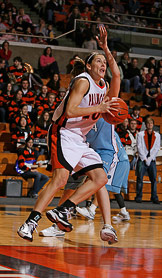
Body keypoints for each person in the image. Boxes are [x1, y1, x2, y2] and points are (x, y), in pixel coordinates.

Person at [17, 26, 120, 243]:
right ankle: (30, 223)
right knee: (60, 179)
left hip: (79, 139)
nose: (103, 64)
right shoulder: (83, 81)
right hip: (62, 131)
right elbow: (70, 111)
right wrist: (98, 109)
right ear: (89, 66)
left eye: (105, 62)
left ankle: (63, 209)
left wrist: (106, 48)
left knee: (100, 178)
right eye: (98, 61)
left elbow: (117, 73)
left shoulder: (105, 86)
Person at [40, 118, 130, 236]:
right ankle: (58, 225)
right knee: (69, 189)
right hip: (81, 149)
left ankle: (107, 224)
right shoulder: (83, 109)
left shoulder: (106, 111)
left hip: (103, 152)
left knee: (99, 182)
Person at [135, 117, 161, 204]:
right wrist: (145, 158)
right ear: (145, 125)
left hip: (152, 159)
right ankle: (139, 196)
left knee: (154, 179)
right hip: (142, 159)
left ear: (153, 125)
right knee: (140, 179)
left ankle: (154, 197)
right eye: (148, 123)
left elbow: (156, 148)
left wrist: (149, 159)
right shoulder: (140, 134)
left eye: (151, 123)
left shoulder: (157, 135)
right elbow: (139, 147)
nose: (150, 125)